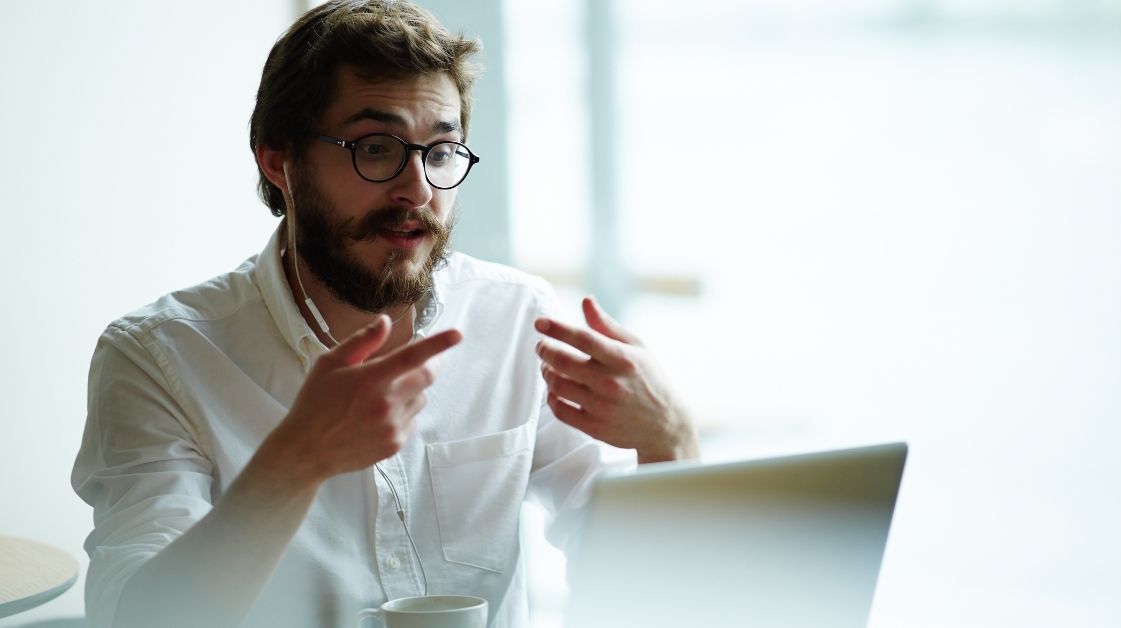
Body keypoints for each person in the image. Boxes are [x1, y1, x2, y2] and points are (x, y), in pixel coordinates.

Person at [70, 2, 698, 627]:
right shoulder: (159, 356)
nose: (418, 189)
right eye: (376, 148)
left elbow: (633, 585)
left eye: (441, 151)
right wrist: (295, 460)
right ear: (278, 161)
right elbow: (133, 616)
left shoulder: (516, 322)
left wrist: (668, 443)